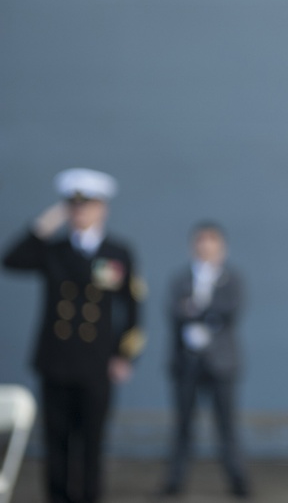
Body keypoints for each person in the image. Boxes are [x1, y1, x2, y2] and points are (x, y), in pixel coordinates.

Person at [2, 168, 145, 503]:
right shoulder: (54, 250)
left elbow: (134, 307)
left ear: (102, 208)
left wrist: (125, 355)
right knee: (57, 443)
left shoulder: (117, 252)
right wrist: (45, 224)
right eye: (73, 205)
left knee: (92, 444)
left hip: (96, 363)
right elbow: (10, 260)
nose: (80, 212)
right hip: (56, 360)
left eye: (88, 205)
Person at [161, 222, 250, 498]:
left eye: (212, 242)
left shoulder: (231, 279)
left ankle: (238, 481)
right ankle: (174, 481)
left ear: (222, 247)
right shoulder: (181, 279)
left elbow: (229, 310)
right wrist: (205, 313)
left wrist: (196, 309)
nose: (206, 248)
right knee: (183, 426)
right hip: (187, 362)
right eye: (201, 242)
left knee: (226, 426)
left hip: (221, 363)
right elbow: (175, 312)